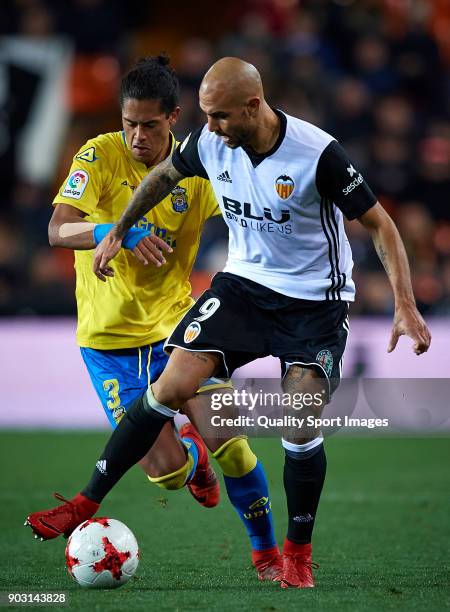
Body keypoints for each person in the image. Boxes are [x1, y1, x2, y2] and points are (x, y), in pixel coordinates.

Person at [29, 57, 431, 589]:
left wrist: (405, 301)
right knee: (169, 392)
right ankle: (85, 500)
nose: (210, 129)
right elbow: (157, 182)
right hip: (241, 290)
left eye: (218, 117)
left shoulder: (318, 154)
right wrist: (117, 230)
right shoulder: (207, 144)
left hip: (313, 304)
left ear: (252, 105)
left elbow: (380, 224)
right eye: (205, 117)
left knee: (298, 421)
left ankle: (292, 553)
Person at [26, 56, 282, 583]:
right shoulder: (98, 155)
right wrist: (115, 233)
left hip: (180, 334)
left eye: (148, 124)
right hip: (109, 345)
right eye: (128, 123)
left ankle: (268, 554)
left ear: (173, 117)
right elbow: (57, 230)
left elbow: (251, 213)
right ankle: (190, 456)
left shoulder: (199, 167)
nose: (137, 136)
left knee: (233, 447)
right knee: (167, 475)